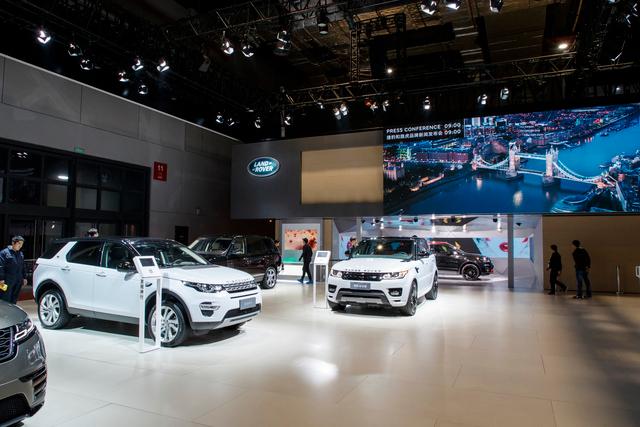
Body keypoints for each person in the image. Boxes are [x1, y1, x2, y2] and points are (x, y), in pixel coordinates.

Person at [0, 236, 27, 304]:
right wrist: (1, 278)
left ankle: (12, 310)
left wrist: (24, 277)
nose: (20, 246)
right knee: (5, 298)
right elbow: (1, 266)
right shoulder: (4, 253)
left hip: (18, 280)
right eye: (19, 243)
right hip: (7, 280)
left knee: (14, 298)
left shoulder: (21, 254)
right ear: (13, 243)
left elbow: (23, 266)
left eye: (22, 244)